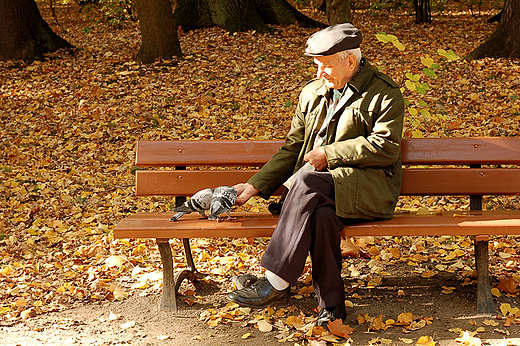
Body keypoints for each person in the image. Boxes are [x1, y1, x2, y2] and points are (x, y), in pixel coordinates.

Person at [228, 23, 404, 327]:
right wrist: (256, 186)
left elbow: (386, 147)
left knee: (307, 181)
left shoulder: (383, 93)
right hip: (318, 198)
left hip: (367, 191)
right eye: (316, 65)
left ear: (350, 61)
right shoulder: (312, 92)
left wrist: (331, 153)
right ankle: (333, 308)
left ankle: (276, 281)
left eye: (325, 66)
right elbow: (292, 147)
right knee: (321, 216)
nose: (320, 72)